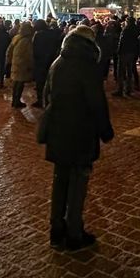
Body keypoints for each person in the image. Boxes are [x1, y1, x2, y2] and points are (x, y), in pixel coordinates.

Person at [41, 24, 114, 251]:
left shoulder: (57, 63)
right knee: (78, 183)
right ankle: (74, 233)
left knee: (60, 180)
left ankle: (56, 229)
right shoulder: (87, 67)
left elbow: (46, 97)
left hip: (58, 132)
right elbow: (96, 103)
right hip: (81, 132)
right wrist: (105, 131)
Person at [31, 19, 62, 108]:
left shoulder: (38, 36)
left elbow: (35, 50)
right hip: (51, 61)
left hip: (41, 62)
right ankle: (49, 100)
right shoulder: (53, 34)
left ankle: (41, 100)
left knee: (40, 82)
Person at [7, 20, 35, 109]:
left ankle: (14, 100)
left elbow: (9, 50)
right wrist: (31, 65)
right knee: (20, 83)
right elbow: (29, 54)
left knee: (16, 82)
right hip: (23, 64)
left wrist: (9, 60)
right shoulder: (27, 40)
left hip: (15, 62)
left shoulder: (16, 37)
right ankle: (17, 101)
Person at [118, 16, 140, 94]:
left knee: (121, 71)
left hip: (125, 52)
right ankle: (128, 89)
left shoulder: (126, 30)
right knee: (130, 71)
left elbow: (122, 41)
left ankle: (120, 89)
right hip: (133, 52)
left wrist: (119, 51)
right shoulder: (137, 29)